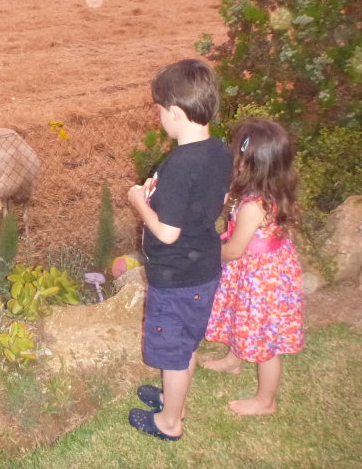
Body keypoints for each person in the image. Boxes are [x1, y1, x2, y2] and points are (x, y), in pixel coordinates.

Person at [127, 59, 233, 441]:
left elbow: (168, 232)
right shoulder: (219, 151)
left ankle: (169, 422)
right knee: (186, 341)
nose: (158, 115)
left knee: (174, 349)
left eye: (159, 109)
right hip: (203, 266)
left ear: (174, 113)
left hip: (175, 276)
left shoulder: (178, 166)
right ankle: (176, 400)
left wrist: (140, 201)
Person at [201, 117, 304, 416]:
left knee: (264, 342)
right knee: (241, 317)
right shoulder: (276, 191)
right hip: (266, 272)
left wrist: (204, 253)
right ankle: (234, 359)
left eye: (237, 154)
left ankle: (265, 400)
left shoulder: (253, 206)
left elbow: (233, 251)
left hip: (259, 281)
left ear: (247, 162)